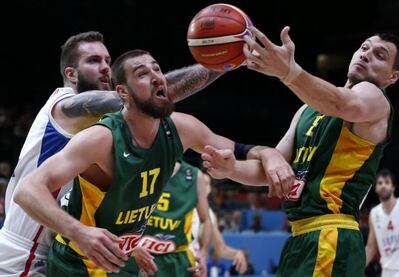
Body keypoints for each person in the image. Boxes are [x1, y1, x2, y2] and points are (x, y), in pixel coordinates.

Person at [13, 49, 291, 276]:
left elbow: (243, 154)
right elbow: (27, 191)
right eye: (142, 74)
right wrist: (80, 232)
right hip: (78, 262)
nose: (157, 77)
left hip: (123, 258)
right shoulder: (101, 139)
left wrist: (271, 154)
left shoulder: (182, 128)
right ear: (122, 93)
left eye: (157, 69)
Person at [0, 30, 230, 277]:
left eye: (108, 61)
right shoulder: (65, 106)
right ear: (71, 74)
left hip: (61, 247)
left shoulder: (106, 128)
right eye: (93, 61)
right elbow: (149, 97)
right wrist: (224, 61)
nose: (104, 68)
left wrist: (127, 246)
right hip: (25, 252)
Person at [202, 25, 399, 276]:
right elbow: (272, 169)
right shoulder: (307, 110)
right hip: (300, 237)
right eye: (364, 48)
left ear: (392, 77)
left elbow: (341, 102)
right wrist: (231, 169)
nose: (366, 54)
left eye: (380, 55)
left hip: (332, 234)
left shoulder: (374, 98)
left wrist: (288, 72)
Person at [139, 161, 212, 277]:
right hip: (139, 255)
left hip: (178, 259)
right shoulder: (136, 167)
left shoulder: (195, 175)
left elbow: (206, 220)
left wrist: (203, 252)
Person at [190, 172, 248, 275]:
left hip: (195, 266)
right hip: (176, 260)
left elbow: (221, 249)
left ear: (210, 189)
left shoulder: (210, 215)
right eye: (200, 182)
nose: (203, 186)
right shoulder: (181, 205)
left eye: (206, 183)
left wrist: (237, 253)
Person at [365, 169, 399, 276]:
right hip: (386, 271)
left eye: (387, 182)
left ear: (393, 187)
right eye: (380, 183)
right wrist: (358, 267)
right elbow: (371, 247)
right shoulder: (374, 213)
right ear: (376, 188)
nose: (383, 185)